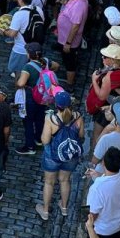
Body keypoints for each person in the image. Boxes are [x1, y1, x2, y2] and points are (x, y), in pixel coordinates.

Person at [38, 91, 84, 221]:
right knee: (65, 180)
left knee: (49, 182)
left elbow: (45, 141)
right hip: (70, 156)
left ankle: (45, 211)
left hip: (52, 156)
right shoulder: (78, 117)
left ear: (56, 105)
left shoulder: (51, 119)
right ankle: (64, 208)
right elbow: (81, 136)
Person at [84, 147, 120, 238]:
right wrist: (97, 176)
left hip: (103, 231)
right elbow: (111, 181)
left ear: (103, 163)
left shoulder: (96, 189)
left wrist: (87, 225)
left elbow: (93, 214)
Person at [14, 43, 52, 156]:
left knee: (28, 122)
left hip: (31, 98)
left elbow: (21, 83)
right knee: (40, 118)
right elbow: (57, 66)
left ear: (29, 54)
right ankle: (39, 139)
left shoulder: (28, 67)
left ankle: (30, 147)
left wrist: (16, 78)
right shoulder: (46, 61)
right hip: (43, 96)